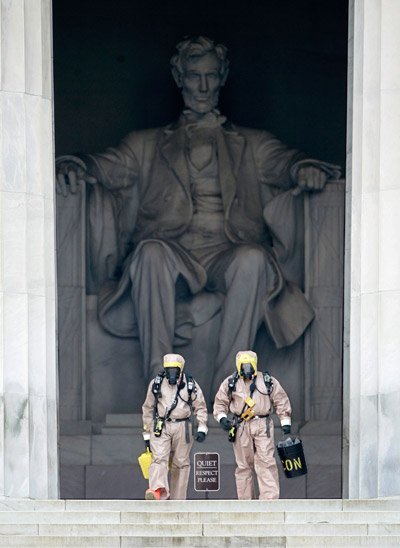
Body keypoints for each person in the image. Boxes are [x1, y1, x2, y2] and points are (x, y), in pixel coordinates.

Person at [56, 36, 341, 393]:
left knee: (254, 259)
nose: (203, 86)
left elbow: (287, 162)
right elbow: (106, 166)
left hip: (228, 251)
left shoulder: (253, 144)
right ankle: (162, 387)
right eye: (194, 75)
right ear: (180, 78)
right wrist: (77, 163)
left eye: (210, 75)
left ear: (222, 77)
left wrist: (305, 169)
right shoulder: (145, 144)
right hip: (171, 251)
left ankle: (230, 386)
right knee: (150, 253)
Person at [213, 350, 291, 500]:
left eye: (249, 365)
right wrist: (222, 418)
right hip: (241, 425)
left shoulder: (267, 380)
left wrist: (285, 420)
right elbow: (220, 402)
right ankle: (246, 501)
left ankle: (269, 500)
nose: (247, 368)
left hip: (262, 423)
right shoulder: (231, 382)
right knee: (243, 465)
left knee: (266, 461)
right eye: (244, 365)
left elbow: (281, 400)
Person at [142, 353, 208, 500]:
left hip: (183, 426)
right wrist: (147, 432)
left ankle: (178, 499)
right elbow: (148, 408)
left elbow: (200, 406)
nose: (172, 372)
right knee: (158, 458)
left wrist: (202, 427)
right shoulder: (156, 383)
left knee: (181, 463)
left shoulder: (190, 384)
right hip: (162, 426)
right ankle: (158, 490)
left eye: (175, 369)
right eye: (169, 369)